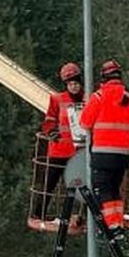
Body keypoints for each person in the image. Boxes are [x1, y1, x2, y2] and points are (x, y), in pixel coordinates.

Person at [79, 59, 129, 240]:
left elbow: (84, 122)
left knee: (102, 189)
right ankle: (117, 225)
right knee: (114, 189)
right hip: (123, 154)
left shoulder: (99, 96)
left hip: (102, 153)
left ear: (103, 78)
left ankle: (111, 225)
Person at [34, 62, 85, 217]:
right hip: (59, 150)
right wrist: (52, 132)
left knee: (80, 186)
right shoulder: (57, 100)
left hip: (78, 152)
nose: (74, 87)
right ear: (66, 85)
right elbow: (49, 121)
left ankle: (79, 215)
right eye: (71, 84)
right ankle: (39, 212)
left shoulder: (89, 99)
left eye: (76, 83)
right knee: (49, 183)